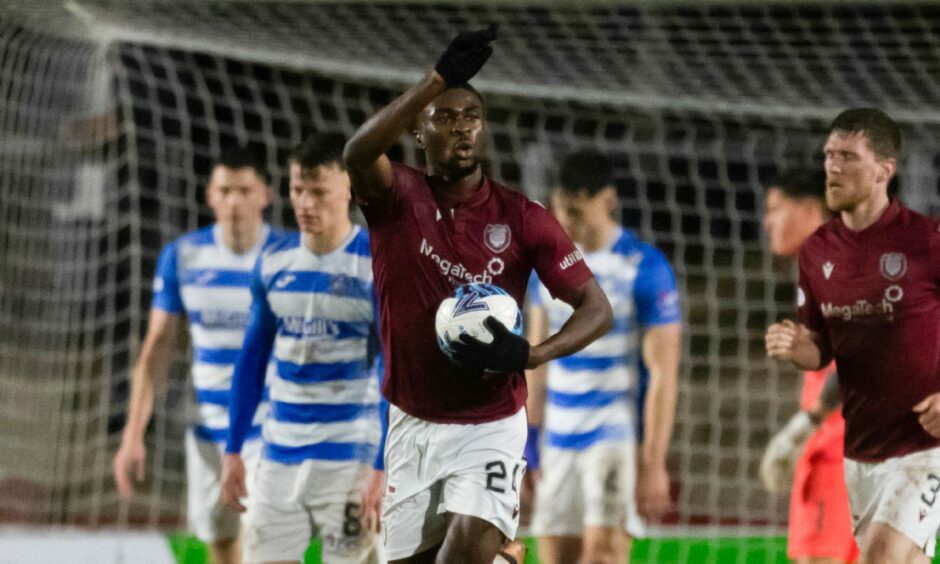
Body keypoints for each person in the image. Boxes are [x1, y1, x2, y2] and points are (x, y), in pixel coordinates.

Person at [343, 25, 613, 564]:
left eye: (471, 117)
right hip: (412, 422)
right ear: (419, 134)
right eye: (444, 117)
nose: (461, 129)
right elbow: (357, 152)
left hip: (490, 422)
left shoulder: (522, 217)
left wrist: (533, 354)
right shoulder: (396, 196)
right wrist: (435, 81)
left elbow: (597, 310)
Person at [765, 108, 940, 564]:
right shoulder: (824, 262)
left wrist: (801, 427)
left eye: (847, 156)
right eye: (829, 156)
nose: (833, 167)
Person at [220, 133, 386, 564]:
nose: (305, 204)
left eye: (318, 191)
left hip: (351, 454)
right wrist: (234, 449)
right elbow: (251, 361)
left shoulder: (376, 263)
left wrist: (384, 465)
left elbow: (393, 366)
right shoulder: (273, 264)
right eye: (298, 190)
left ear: (348, 189)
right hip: (278, 455)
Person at [112, 147, 278, 564]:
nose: (234, 201)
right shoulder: (183, 256)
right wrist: (134, 433)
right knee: (221, 545)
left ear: (266, 196)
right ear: (209, 196)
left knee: (267, 544)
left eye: (245, 190)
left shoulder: (287, 255)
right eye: (225, 190)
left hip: (272, 428)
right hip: (208, 431)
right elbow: (158, 346)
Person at [524, 150, 682, 564]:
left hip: (611, 436)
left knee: (603, 557)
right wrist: (527, 447)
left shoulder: (642, 267)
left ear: (608, 201)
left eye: (577, 211)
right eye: (562, 211)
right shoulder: (547, 266)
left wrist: (653, 463)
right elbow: (534, 364)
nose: (568, 222)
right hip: (557, 438)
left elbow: (664, 373)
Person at [758, 168, 858, 564]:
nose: (767, 221)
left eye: (775, 208)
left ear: (809, 208)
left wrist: (807, 423)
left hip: (838, 450)